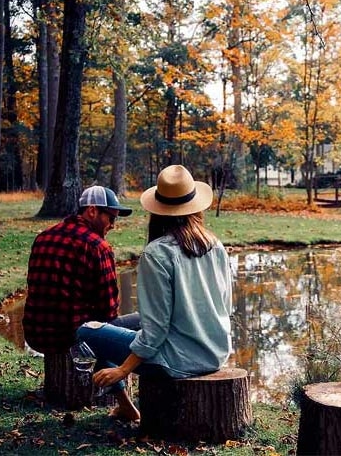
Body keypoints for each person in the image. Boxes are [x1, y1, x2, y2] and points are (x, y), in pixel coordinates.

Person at [77, 165, 233, 422]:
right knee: (120, 323)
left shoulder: (157, 253)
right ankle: (126, 405)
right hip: (215, 353)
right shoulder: (214, 244)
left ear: (158, 211)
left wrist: (124, 370)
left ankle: (123, 399)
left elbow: (156, 329)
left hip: (177, 362)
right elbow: (223, 306)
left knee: (88, 331)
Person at [23, 186, 133, 355]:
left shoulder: (43, 237)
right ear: (92, 211)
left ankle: (110, 376)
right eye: (111, 218)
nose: (112, 226)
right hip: (74, 338)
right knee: (144, 322)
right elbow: (108, 310)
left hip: (35, 336)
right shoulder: (97, 247)